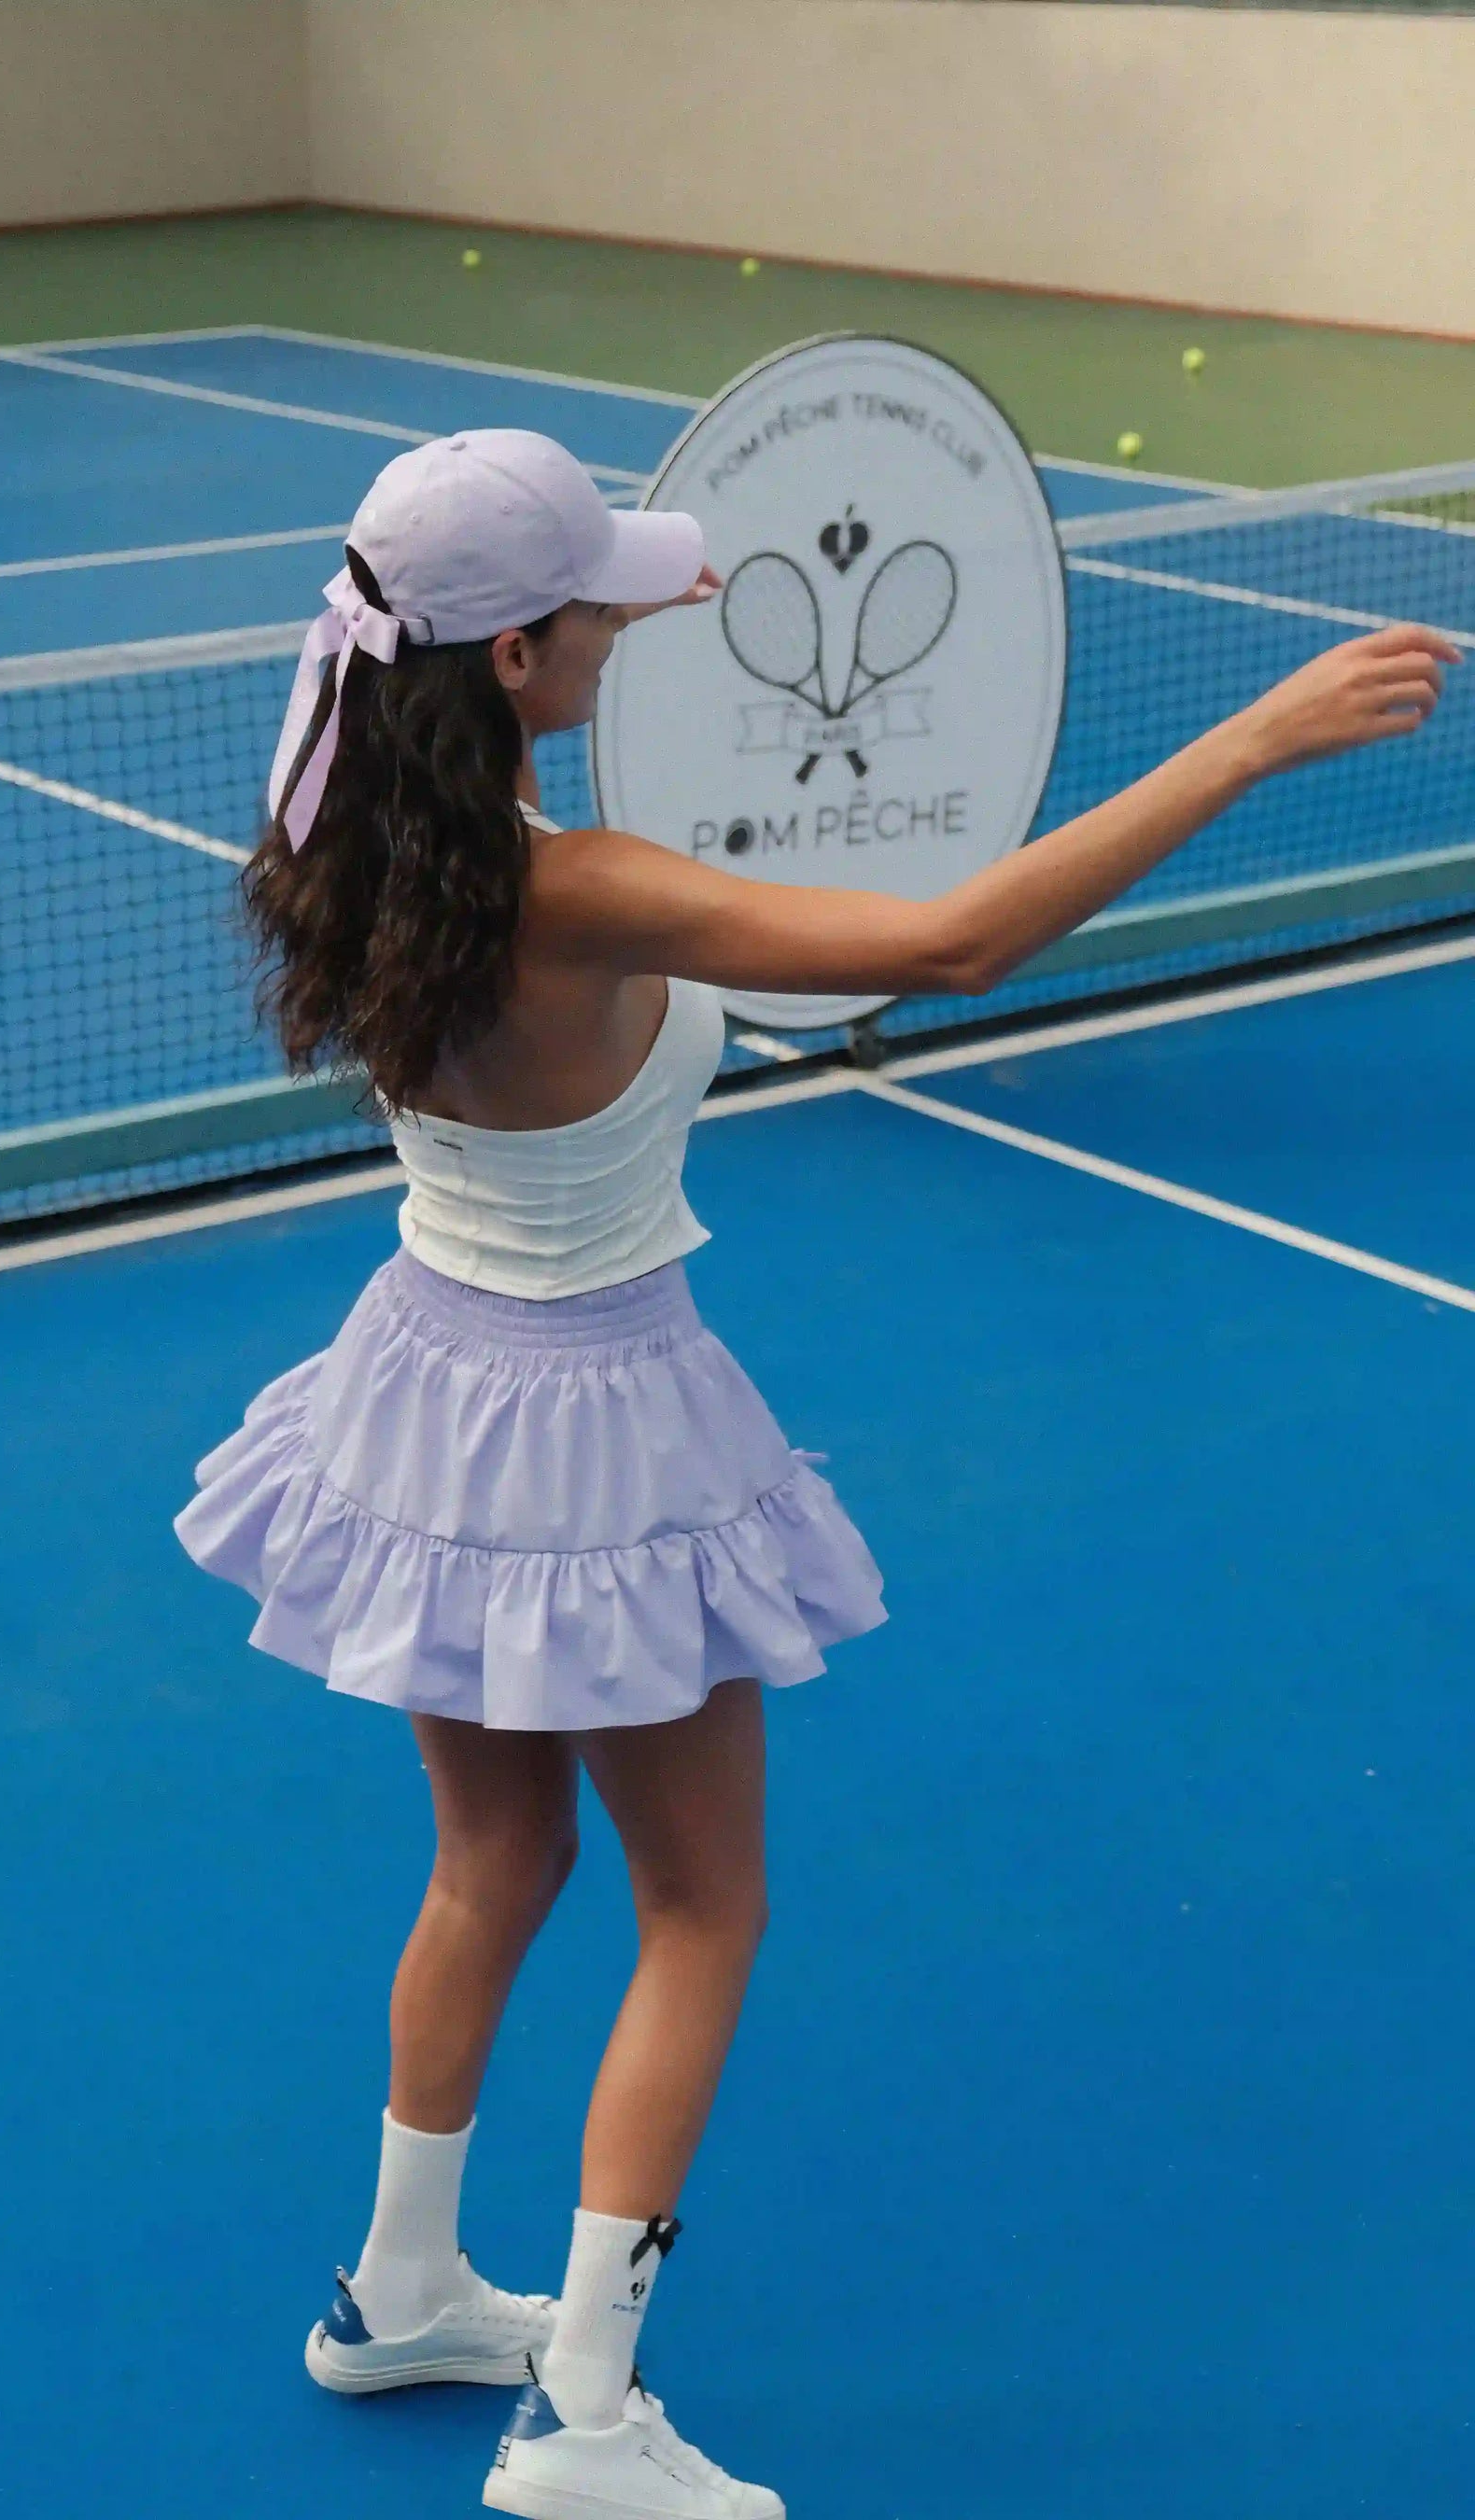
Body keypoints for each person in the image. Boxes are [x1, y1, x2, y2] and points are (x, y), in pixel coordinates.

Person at [175, 427, 1453, 2520]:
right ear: (511, 662)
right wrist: (1256, 738)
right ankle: (585, 2422)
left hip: (421, 1392)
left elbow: (502, 658)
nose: (629, 615)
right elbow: (950, 946)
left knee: (493, 1866)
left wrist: (609, 592)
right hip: (594, 1428)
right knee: (703, 1904)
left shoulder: (343, 830)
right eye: (590, 603)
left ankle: (399, 2291)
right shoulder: (576, 890)